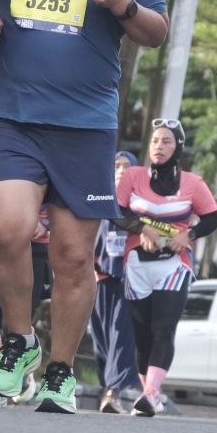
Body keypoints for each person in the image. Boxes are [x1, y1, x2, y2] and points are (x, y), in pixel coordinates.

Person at [0, 0, 169, 414]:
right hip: (15, 117)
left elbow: (156, 32)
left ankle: (59, 372)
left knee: (73, 257)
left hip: (85, 125)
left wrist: (120, 3)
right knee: (4, 230)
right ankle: (18, 342)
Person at [116, 119, 217, 417]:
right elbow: (116, 210)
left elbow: (213, 219)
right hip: (137, 264)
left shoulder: (193, 183)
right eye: (155, 141)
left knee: (164, 328)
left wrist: (189, 234)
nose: (159, 147)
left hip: (174, 265)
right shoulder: (133, 177)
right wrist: (142, 229)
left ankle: (151, 394)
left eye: (166, 142)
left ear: (178, 148)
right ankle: (147, 391)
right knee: (143, 334)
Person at [91, 151, 143, 414]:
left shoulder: (140, 202)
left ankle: (113, 392)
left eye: (127, 166)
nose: (122, 170)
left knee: (121, 333)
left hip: (129, 275)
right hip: (99, 273)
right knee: (100, 336)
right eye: (117, 165)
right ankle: (107, 386)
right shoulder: (99, 195)